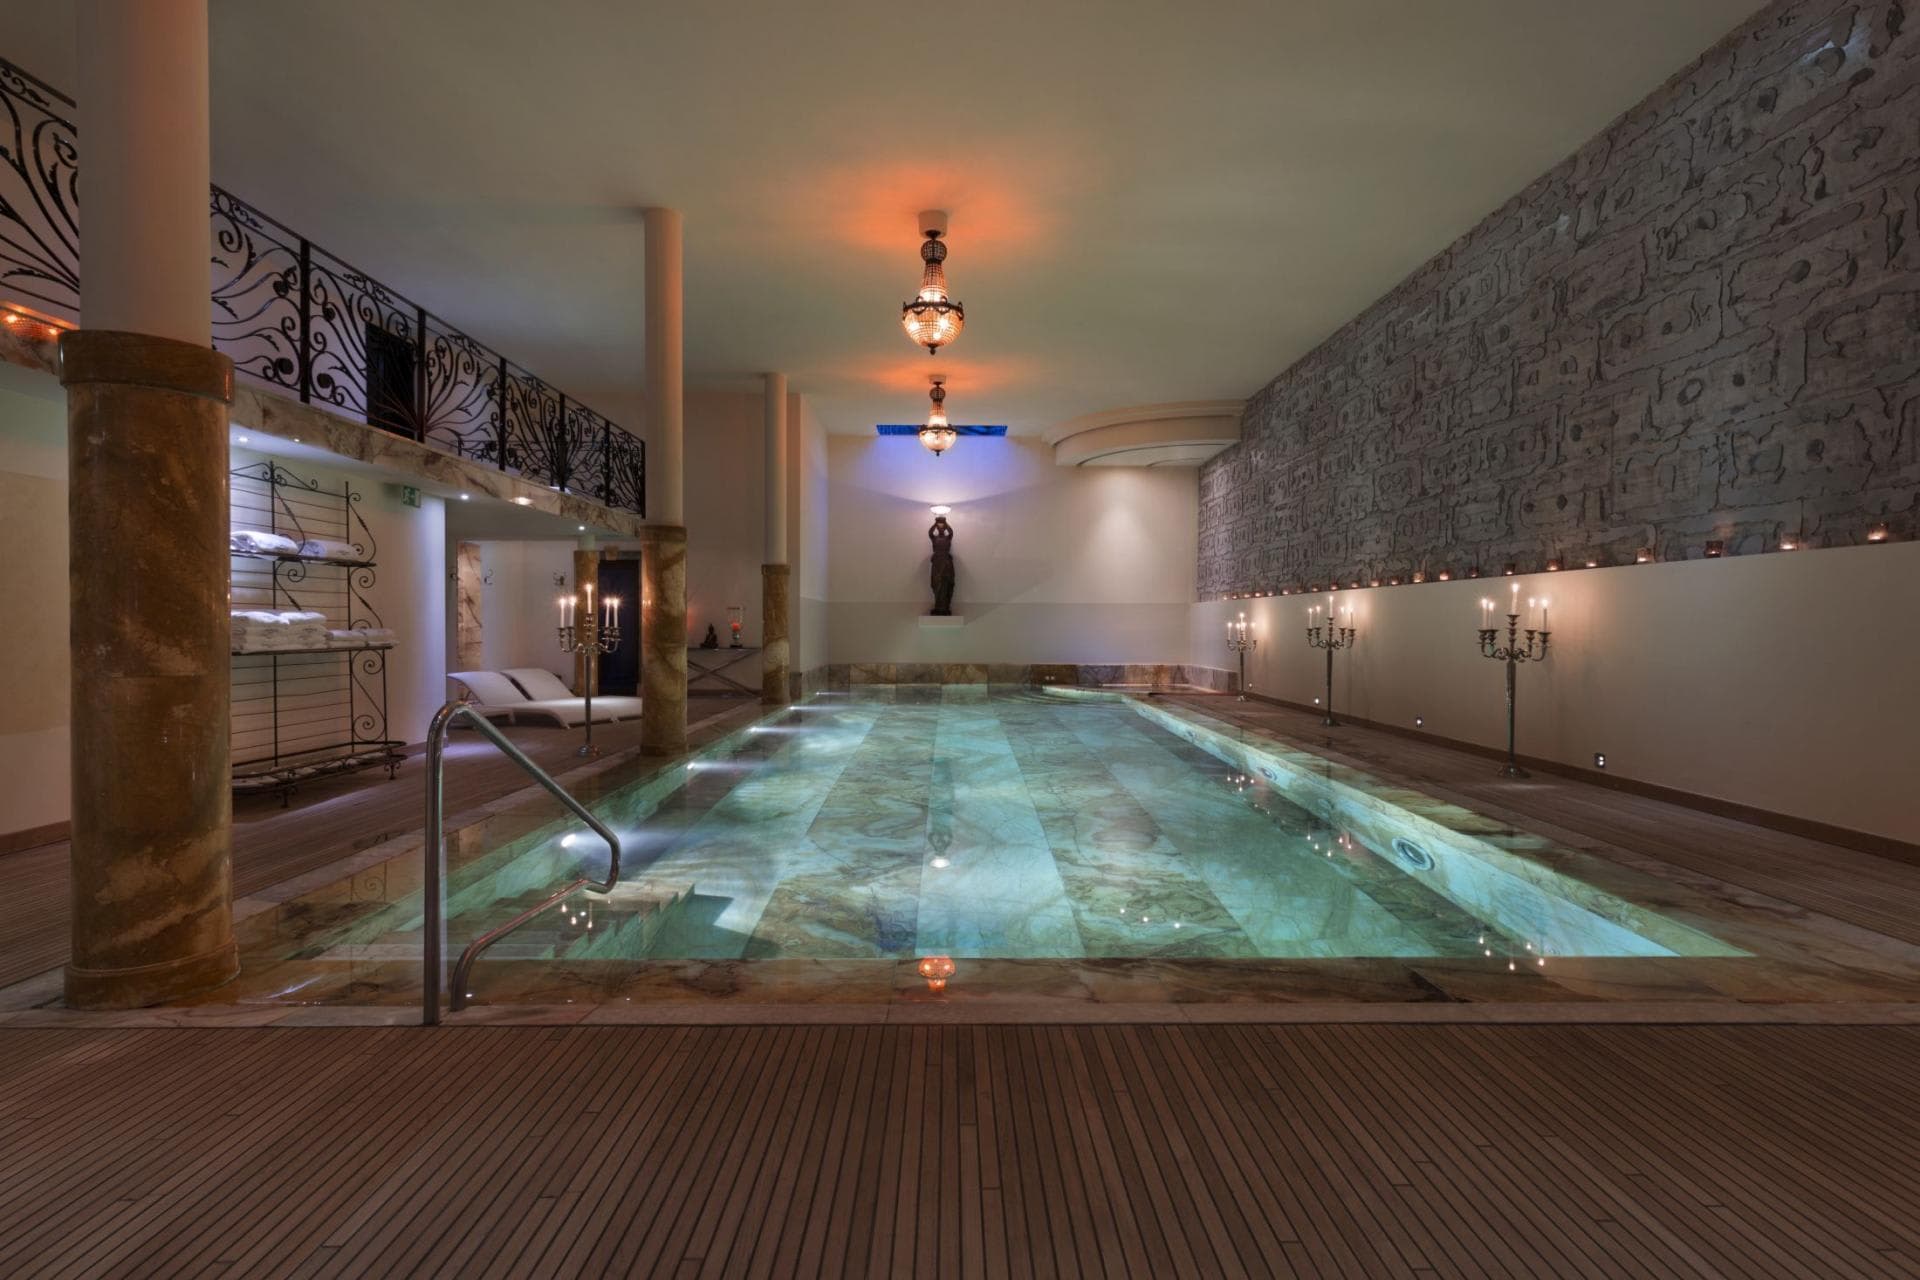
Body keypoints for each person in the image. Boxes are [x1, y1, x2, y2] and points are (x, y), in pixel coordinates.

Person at [928, 514, 955, 616]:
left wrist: (945, 522)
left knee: (945, 583)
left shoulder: (948, 538)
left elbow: (951, 532)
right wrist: (936, 523)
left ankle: (944, 607)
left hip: (946, 563)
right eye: (940, 527)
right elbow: (930, 532)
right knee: (936, 584)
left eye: (942, 527)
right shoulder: (934, 538)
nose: (941, 529)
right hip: (937, 563)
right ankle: (938, 606)